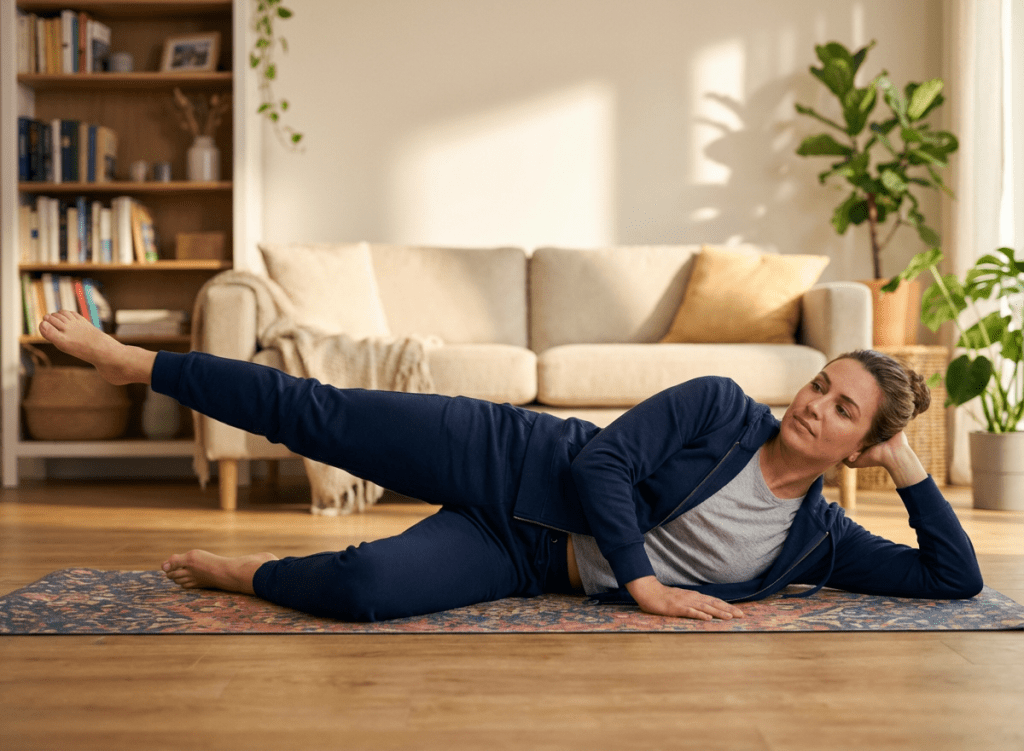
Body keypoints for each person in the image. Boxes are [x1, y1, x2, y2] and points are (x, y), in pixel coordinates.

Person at [39, 309, 983, 623]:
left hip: (530, 555)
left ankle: (245, 572)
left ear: (858, 446)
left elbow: (952, 580)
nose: (812, 402)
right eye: (821, 383)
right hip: (511, 457)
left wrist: (906, 466)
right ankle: (136, 360)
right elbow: (607, 463)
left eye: (841, 410)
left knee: (368, 589)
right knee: (316, 413)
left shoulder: (812, 539)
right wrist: (648, 585)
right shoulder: (719, 407)